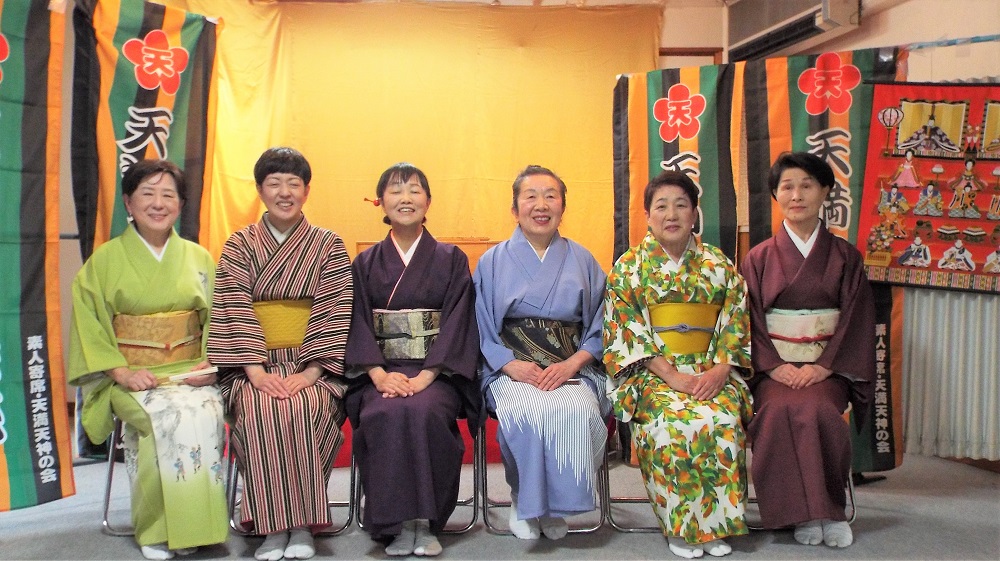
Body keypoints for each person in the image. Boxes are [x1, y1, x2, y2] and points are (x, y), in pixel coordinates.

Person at [68, 160, 227, 560]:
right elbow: (89, 324)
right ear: (128, 202)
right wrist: (121, 372)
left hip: (189, 372)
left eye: (168, 195)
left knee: (205, 412)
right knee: (166, 418)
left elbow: (218, 319)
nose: (159, 204)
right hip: (130, 377)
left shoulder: (198, 258)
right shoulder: (104, 262)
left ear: (181, 204)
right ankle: (156, 530)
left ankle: (197, 528)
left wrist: (208, 364)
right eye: (148, 194)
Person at [207, 147, 353, 561]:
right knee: (260, 409)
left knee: (305, 407)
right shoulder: (239, 245)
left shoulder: (327, 245)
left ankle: (302, 525)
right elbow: (233, 306)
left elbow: (336, 308)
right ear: (260, 190)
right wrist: (255, 371)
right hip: (252, 365)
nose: (284, 192)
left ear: (306, 190)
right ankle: (273, 528)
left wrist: (310, 373)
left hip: (313, 365)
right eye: (274, 183)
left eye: (293, 183)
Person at [603, 170, 752, 559]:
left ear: (694, 213)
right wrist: (673, 377)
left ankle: (714, 526)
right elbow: (626, 329)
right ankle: (682, 527)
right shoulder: (629, 267)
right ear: (647, 215)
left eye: (681, 205)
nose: (671, 214)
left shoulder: (718, 263)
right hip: (652, 373)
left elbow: (734, 319)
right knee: (672, 423)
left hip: (709, 368)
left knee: (721, 420)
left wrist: (721, 368)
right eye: (662, 206)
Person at [741, 152, 876, 549]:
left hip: (827, 369)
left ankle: (828, 511)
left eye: (806, 186)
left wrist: (825, 366)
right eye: (787, 187)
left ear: (825, 191)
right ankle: (798, 513)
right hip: (774, 370)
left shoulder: (845, 257)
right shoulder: (759, 257)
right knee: (777, 410)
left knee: (818, 409)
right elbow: (746, 321)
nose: (796, 195)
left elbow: (854, 320)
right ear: (775, 195)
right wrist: (772, 365)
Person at [345, 163, 481, 557]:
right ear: (381, 202)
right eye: (395, 190)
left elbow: (457, 320)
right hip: (381, 372)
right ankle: (397, 525)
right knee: (382, 413)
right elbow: (356, 321)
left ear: (428, 201)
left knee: (425, 412)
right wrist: (377, 374)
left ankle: (426, 522)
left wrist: (426, 375)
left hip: (436, 372)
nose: (405, 198)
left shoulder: (451, 258)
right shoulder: (365, 263)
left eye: (415, 190)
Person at [474, 165, 608, 541]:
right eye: (530, 196)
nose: (541, 205)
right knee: (528, 412)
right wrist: (509, 364)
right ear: (514, 209)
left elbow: (602, 324)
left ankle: (555, 506)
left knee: (578, 411)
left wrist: (573, 363)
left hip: (572, 368)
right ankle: (523, 501)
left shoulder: (583, 260)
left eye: (551, 196)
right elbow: (480, 324)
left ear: (562, 206)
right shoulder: (492, 262)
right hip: (512, 368)